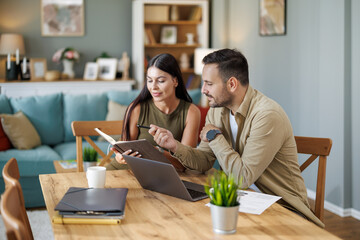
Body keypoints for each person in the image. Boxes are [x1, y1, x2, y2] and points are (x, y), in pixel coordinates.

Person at [148, 49, 324, 228]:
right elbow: (203, 161)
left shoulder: (267, 115)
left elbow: (242, 178)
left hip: (283, 210)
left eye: (209, 84)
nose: (203, 90)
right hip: (242, 201)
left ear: (232, 84)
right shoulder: (217, 110)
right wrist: (174, 146)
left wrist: (214, 136)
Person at [106, 53, 200, 171]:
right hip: (124, 172)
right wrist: (120, 156)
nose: (153, 87)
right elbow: (124, 147)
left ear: (175, 81)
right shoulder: (136, 108)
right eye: (149, 80)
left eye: (160, 81)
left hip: (159, 178)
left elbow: (185, 164)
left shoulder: (191, 112)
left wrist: (157, 152)